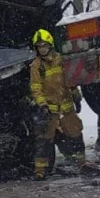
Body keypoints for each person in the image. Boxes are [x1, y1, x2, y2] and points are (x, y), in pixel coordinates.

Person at [28, 29, 89, 180]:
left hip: (67, 107)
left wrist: (76, 97)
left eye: (44, 45)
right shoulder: (36, 66)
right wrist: (42, 105)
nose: (42, 48)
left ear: (50, 45)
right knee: (43, 141)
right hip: (49, 111)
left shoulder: (61, 60)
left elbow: (70, 80)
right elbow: (36, 88)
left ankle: (82, 163)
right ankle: (40, 172)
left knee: (76, 135)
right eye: (39, 46)